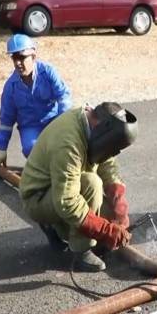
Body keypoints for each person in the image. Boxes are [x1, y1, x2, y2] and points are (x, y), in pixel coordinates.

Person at [19, 102, 137, 272]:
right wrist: (105, 230)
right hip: (39, 197)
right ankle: (82, 251)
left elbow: (107, 161)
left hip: (62, 189)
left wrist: (119, 204)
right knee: (91, 184)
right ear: (102, 127)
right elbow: (67, 201)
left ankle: (59, 228)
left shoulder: (93, 125)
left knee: (109, 214)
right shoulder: (69, 142)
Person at [0, 34, 72, 171]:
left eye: (22, 57)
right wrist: (1, 150)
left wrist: (64, 126)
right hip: (30, 127)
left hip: (53, 121)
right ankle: (46, 170)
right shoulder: (11, 87)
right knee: (31, 149)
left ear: (34, 56)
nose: (17, 63)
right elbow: (6, 121)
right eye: (14, 58)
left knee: (61, 146)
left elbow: (64, 97)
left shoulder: (48, 73)